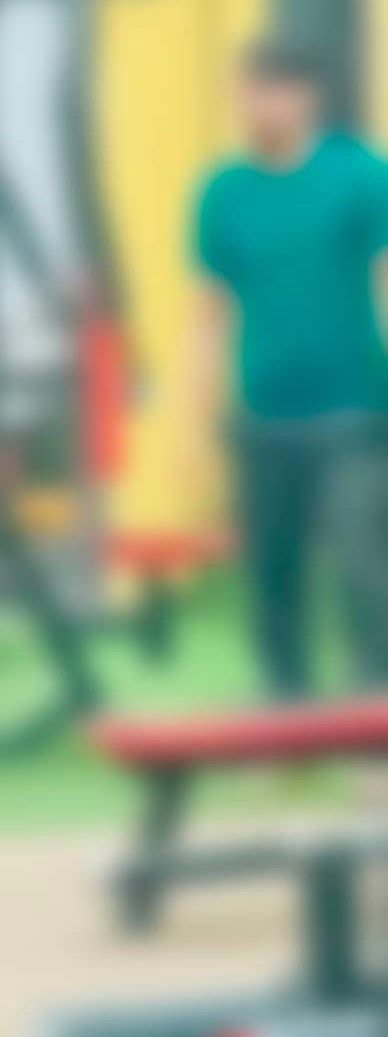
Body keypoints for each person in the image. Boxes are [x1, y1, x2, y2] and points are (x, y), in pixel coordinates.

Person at [189, 41, 388, 698]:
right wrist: (196, 424)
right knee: (273, 575)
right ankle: (285, 708)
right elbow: (208, 314)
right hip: (262, 413)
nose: (259, 105)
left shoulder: (359, 176)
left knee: (363, 563)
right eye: (249, 91)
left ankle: (376, 707)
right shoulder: (224, 192)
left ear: (306, 97)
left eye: (273, 91)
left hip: (352, 409)